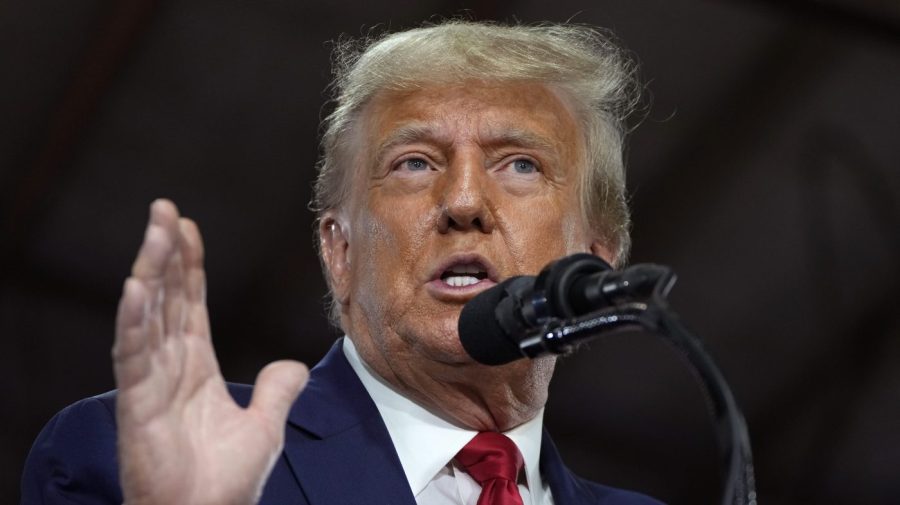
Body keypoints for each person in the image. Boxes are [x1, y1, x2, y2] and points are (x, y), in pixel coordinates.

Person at [21, 21, 663, 505]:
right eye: (415, 162)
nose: (464, 202)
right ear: (339, 251)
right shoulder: (127, 456)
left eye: (520, 164)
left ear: (595, 266)